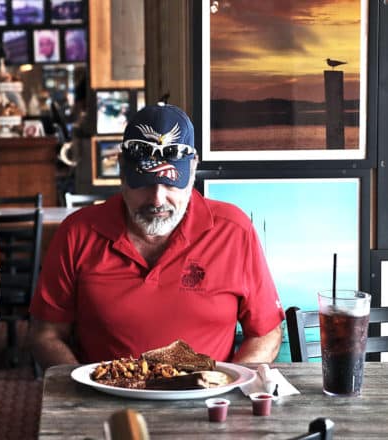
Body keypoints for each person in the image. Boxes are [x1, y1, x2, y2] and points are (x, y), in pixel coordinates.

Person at [28, 103, 284, 369]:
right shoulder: (76, 232)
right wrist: (85, 387)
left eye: (171, 183)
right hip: (105, 402)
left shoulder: (234, 230)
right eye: (144, 183)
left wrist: (228, 383)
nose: (158, 199)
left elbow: (266, 333)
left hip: (205, 403)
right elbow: (46, 335)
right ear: (122, 173)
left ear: (193, 170)